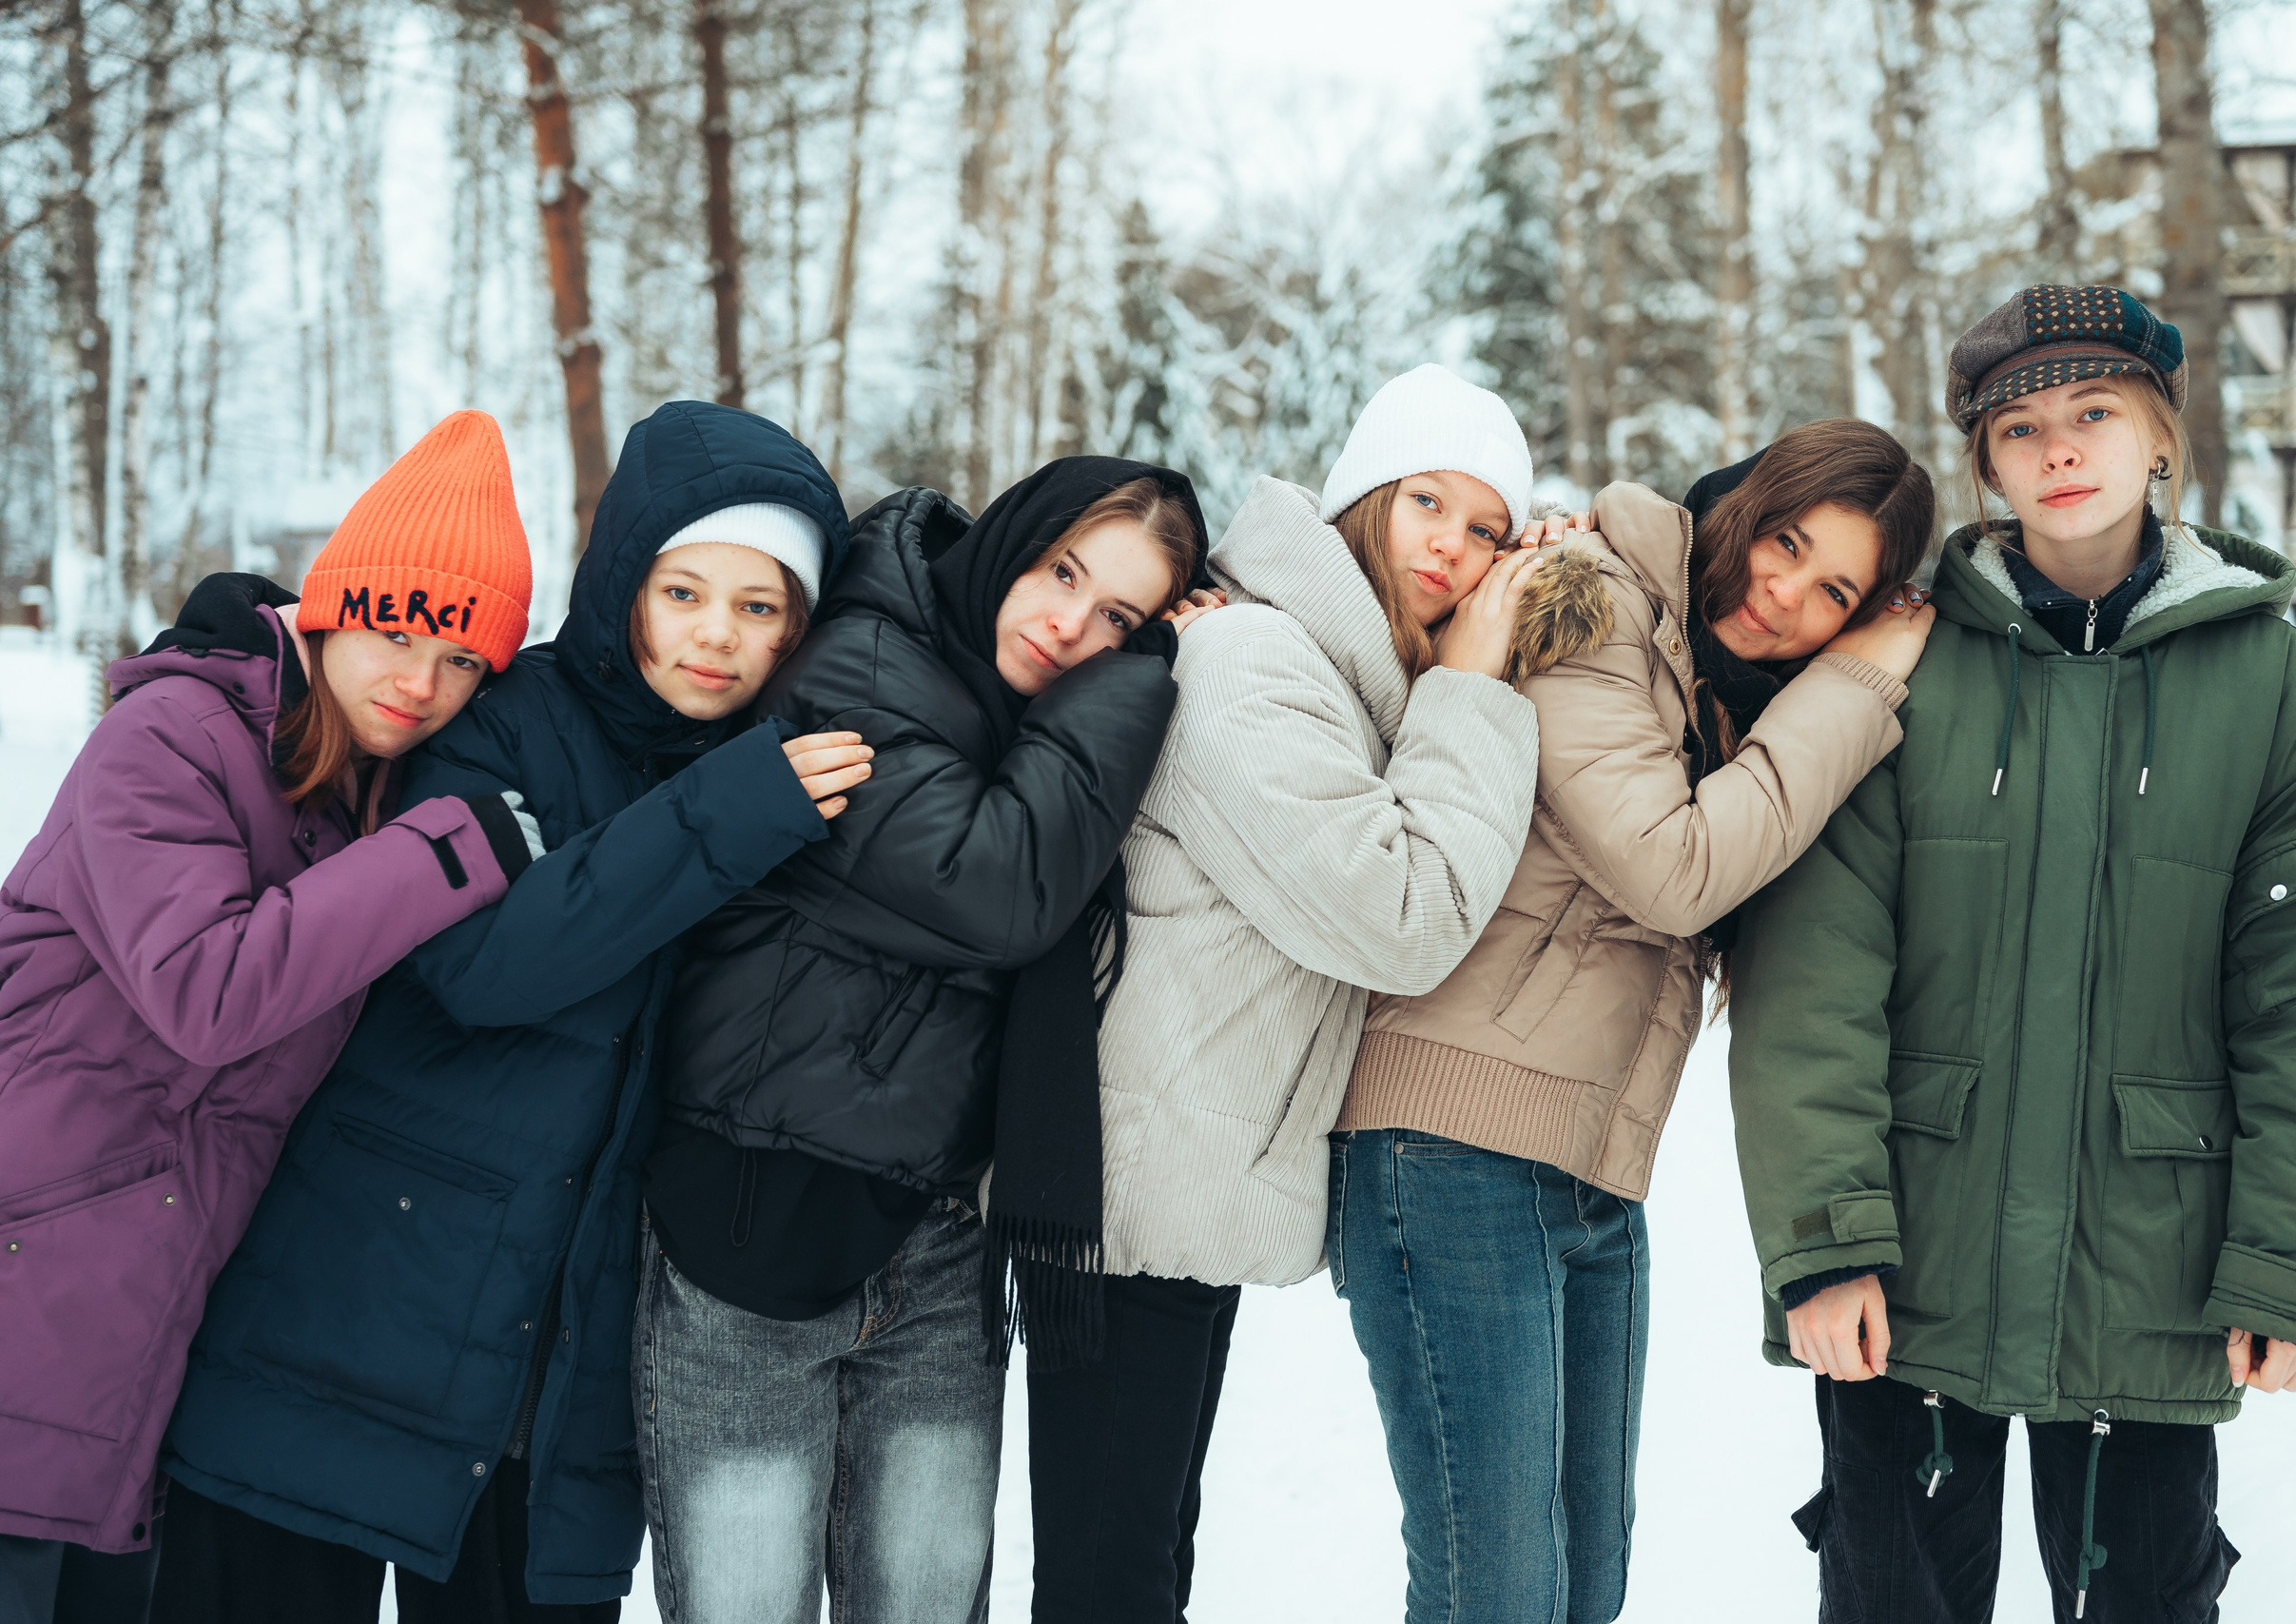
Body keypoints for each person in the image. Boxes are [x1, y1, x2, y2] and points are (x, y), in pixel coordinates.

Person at [1729, 284, 2296, 1624]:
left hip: (2150, 1282)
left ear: (2160, 437)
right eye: (2020, 426)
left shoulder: (2267, 683)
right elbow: (1814, 972)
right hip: (1910, 1280)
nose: (2059, 448)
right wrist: (1821, 1242)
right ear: (1987, 462)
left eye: (2093, 411)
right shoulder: (1902, 659)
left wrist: (2291, 1264)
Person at [152, 401, 871, 1623]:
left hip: (559, 1381)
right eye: (683, 591)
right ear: (622, 584)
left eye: (760, 610)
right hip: (345, 1317)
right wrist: (724, 816)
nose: (716, 639)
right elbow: (482, 964)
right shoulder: (504, 725)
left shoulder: (780, 771)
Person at [1335, 418, 1940, 1622]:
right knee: (1495, 1592)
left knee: (1583, 1589)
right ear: (1741, 505)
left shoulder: (1723, 694)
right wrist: (1857, 678)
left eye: (1833, 593)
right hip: (1450, 1147)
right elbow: (1674, 872)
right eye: (1783, 543)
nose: (1784, 595)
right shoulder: (1597, 608)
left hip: (1589, 1166)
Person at [636, 458, 1206, 1624]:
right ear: (1011, 538)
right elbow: (996, 887)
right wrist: (1139, 679)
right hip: (745, 1232)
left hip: (937, 1246)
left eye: (1119, 618)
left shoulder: (1023, 720)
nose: (1068, 626)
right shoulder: (858, 658)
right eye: (1061, 572)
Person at [1022, 364, 1549, 1621]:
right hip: (1134, 1192)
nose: (1453, 546)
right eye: (1428, 499)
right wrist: (1473, 686)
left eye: (1486, 529)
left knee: (1141, 1563)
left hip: (1173, 1185)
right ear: (1365, 493)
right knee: (1112, 1577)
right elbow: (1403, 914)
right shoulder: (1255, 661)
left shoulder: (1328, 670)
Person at [0, 410, 538, 1624]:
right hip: (32, 1270)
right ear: (335, 608)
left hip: (151, 1328)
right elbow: (209, 989)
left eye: (463, 663)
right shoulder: (169, 738)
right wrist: (448, 851)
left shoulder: (357, 784)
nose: (424, 682)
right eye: (404, 633)